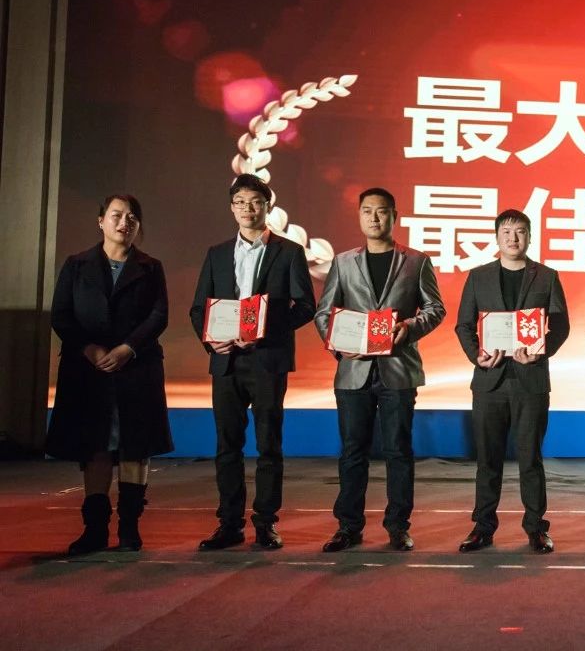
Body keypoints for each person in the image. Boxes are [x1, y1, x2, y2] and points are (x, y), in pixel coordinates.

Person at [313, 188, 446, 553]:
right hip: (353, 370)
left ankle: (398, 526)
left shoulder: (416, 261)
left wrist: (410, 328)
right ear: (359, 216)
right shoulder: (343, 262)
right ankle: (348, 527)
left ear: (394, 216)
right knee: (352, 451)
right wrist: (338, 344)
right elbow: (324, 312)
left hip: (398, 369)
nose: (374, 218)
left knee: (398, 451)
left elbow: (435, 309)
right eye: (367, 211)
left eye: (382, 211)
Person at [189, 173, 317, 551]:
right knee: (227, 446)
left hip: (267, 359)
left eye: (256, 202)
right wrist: (211, 341)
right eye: (241, 202)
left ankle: (265, 523)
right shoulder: (216, 253)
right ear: (232, 208)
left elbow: (305, 306)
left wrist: (263, 329)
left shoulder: (289, 251)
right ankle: (229, 523)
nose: (248, 208)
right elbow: (198, 308)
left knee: (268, 445)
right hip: (226, 361)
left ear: (268, 207)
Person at [47, 194, 173, 553]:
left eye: (132, 217)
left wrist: (127, 348)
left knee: (135, 445)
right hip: (88, 371)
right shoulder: (76, 265)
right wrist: (89, 349)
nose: (124, 223)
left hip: (138, 368)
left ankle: (129, 528)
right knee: (96, 445)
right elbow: (61, 315)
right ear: (100, 221)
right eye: (116, 215)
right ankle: (95, 530)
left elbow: (158, 316)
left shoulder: (151, 267)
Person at [454, 209, 570, 554]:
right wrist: (476, 355)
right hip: (489, 380)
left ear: (529, 237)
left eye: (520, 231)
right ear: (497, 237)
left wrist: (540, 352)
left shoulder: (546, 276)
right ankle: (483, 528)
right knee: (487, 460)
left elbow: (561, 325)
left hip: (530, 381)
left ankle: (536, 528)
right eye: (506, 232)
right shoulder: (478, 276)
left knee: (530, 458)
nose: (513, 238)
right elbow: (463, 325)